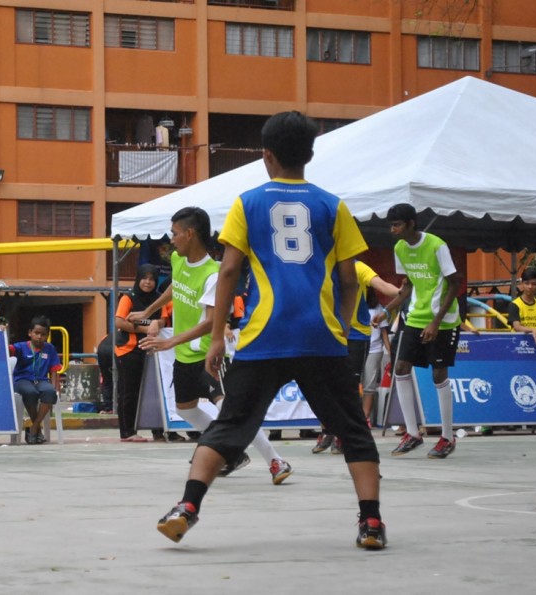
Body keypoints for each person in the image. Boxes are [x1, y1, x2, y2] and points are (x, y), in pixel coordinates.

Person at [156, 111, 384, 549]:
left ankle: (188, 507)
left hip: (266, 335)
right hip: (321, 336)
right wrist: (340, 323)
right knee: (353, 429)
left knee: (228, 426)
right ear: (311, 154)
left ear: (267, 155)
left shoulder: (248, 202)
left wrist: (218, 335)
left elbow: (228, 273)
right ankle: (371, 522)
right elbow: (351, 278)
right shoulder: (333, 205)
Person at [134, 207, 292, 483]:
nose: (171, 239)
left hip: (207, 354)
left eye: (175, 233)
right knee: (185, 409)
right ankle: (232, 452)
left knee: (230, 410)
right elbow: (175, 285)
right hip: (184, 356)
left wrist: (169, 340)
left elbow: (210, 322)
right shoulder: (177, 259)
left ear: (190, 234)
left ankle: (276, 461)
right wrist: (150, 312)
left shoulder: (213, 274)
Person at [381, 202, 461, 459]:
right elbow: (407, 286)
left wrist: (436, 323)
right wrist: (388, 310)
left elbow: (454, 284)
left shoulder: (437, 246)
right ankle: (413, 434)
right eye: (391, 225)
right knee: (401, 368)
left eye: (397, 225)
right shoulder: (400, 248)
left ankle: (447, 438)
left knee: (439, 374)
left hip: (444, 320)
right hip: (415, 318)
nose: (393, 230)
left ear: (411, 224)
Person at [312, 262, 398, 454]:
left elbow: (382, 286)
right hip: (329, 331)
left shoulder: (357, 267)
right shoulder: (320, 263)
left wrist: (401, 292)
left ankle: (344, 434)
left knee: (349, 385)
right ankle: (327, 429)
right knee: (325, 384)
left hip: (356, 334)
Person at [114, 264, 164, 442]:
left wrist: (156, 324)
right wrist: (145, 329)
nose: (148, 282)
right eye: (144, 278)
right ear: (138, 279)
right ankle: (127, 432)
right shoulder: (128, 298)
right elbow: (119, 322)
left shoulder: (159, 299)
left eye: (151, 279)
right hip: (128, 350)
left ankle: (158, 430)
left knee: (155, 392)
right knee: (129, 392)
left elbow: (163, 320)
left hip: (151, 350)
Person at [10, 315, 62, 444]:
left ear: (47, 335)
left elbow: (54, 369)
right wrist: (2, 332)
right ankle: (37, 429)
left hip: (41, 381)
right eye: (36, 333)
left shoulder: (50, 348)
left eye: (43, 334)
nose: (39, 337)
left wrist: (55, 387)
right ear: (30, 333)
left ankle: (33, 428)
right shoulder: (21, 346)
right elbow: (9, 349)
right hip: (22, 380)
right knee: (30, 392)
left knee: (49, 392)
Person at [508, 267, 536, 352]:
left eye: (533, 284)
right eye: (527, 283)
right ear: (522, 284)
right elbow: (517, 327)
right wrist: (533, 330)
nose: (530, 286)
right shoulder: (514, 304)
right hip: (520, 347)